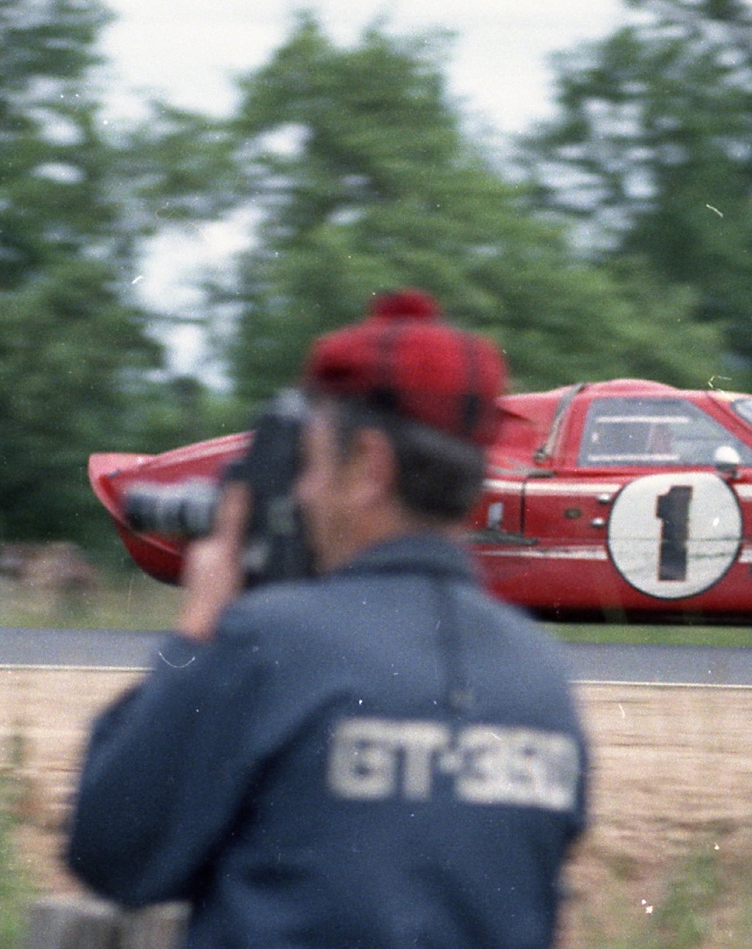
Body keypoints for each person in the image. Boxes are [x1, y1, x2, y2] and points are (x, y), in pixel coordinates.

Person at [68, 291, 587, 949]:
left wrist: (199, 623)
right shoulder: (542, 677)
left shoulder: (267, 644)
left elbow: (113, 850)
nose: (303, 492)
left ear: (369, 467)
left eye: (309, 465)